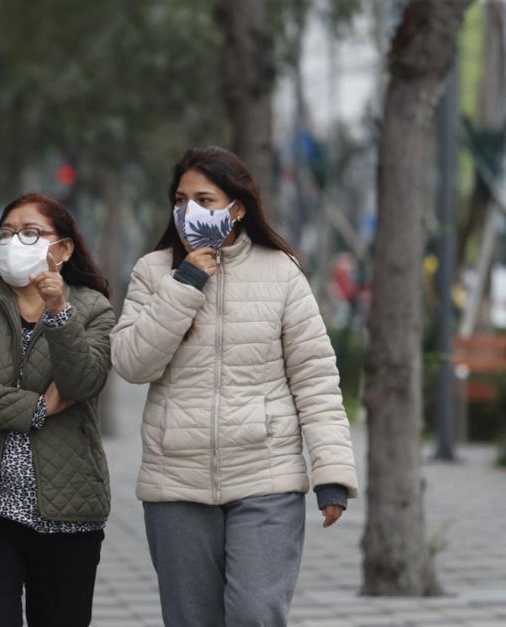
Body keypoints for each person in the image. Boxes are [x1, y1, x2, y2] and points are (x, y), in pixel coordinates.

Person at [110, 147, 359, 626]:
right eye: (181, 200)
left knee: (255, 613)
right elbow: (132, 363)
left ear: (237, 207)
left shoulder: (282, 273)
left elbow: (316, 378)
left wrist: (331, 473)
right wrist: (185, 284)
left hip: (266, 477)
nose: (190, 211)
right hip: (176, 481)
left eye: (205, 199)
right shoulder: (153, 271)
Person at [0, 192, 115, 627]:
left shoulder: (92, 308)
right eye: (7, 233)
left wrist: (58, 311)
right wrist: (34, 407)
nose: (15, 242)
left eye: (31, 232)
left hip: (69, 511)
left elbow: (82, 382)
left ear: (64, 247)